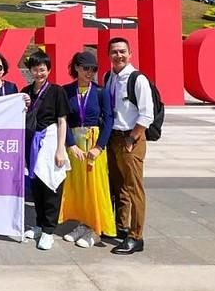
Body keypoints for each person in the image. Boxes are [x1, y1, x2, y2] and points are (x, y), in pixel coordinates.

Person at [58, 51, 116, 249]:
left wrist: (100, 147)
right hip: (75, 146)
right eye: (85, 68)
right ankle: (83, 223)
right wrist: (70, 144)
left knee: (95, 186)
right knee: (79, 187)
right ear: (76, 68)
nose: (90, 72)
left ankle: (96, 230)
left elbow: (109, 120)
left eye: (93, 69)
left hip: (93, 144)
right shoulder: (66, 91)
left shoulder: (101, 92)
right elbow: (62, 119)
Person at [105, 37, 153, 255]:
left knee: (134, 188)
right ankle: (121, 226)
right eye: (114, 52)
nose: (119, 55)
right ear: (109, 55)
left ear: (130, 53)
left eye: (122, 51)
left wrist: (132, 138)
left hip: (131, 138)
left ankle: (136, 236)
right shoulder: (110, 77)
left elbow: (147, 114)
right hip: (113, 138)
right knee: (118, 186)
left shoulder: (138, 79)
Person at [21, 50, 71, 250]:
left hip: (50, 142)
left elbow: (62, 120)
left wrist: (61, 149)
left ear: (48, 70)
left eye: (42, 69)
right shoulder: (26, 91)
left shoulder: (57, 91)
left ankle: (49, 231)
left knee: (51, 185)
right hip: (31, 143)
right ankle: (39, 224)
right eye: (35, 69)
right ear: (30, 70)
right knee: (37, 186)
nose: (39, 73)